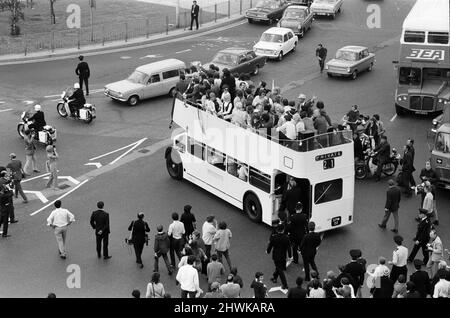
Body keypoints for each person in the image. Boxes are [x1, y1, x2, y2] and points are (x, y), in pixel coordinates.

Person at [267, 224, 291, 290]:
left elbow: (270, 246)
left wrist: (268, 251)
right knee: (279, 268)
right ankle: (274, 278)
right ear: (283, 230)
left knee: (280, 270)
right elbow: (289, 248)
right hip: (283, 256)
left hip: (276, 256)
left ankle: (285, 284)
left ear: (277, 230)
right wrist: (290, 256)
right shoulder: (286, 238)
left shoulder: (274, 237)